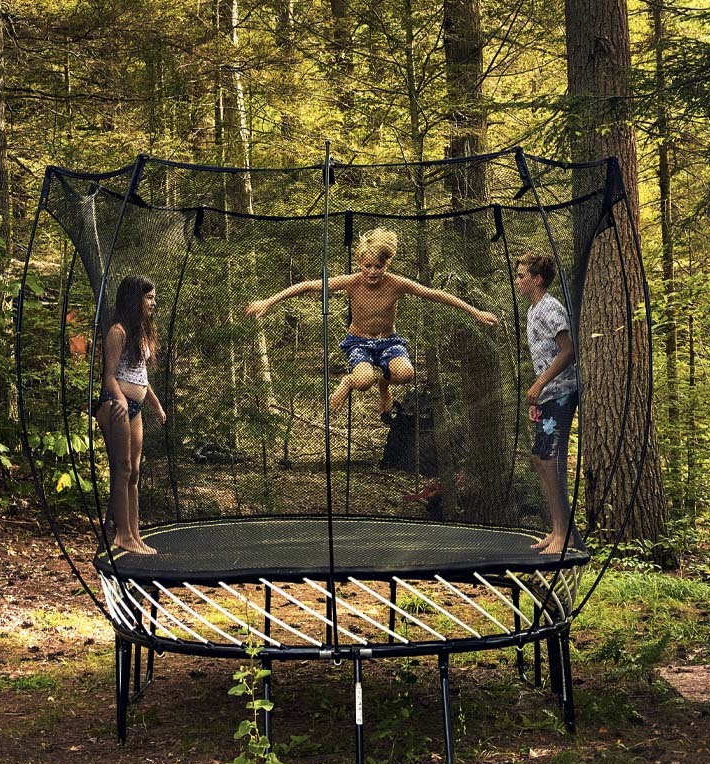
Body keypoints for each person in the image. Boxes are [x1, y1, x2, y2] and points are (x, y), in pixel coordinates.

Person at [244, 227, 498, 414]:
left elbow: (435, 294)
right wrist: (268, 302)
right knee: (363, 381)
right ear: (360, 264)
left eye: (378, 266)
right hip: (359, 342)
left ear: (386, 264)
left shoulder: (397, 284)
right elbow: (307, 286)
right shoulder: (352, 282)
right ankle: (347, 382)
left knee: (406, 374)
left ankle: (384, 387)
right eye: (368, 266)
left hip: (388, 341)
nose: (373, 272)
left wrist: (475, 312)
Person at [513, 250, 580, 555]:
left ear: (537, 279)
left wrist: (540, 384)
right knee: (540, 459)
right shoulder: (533, 310)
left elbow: (568, 351)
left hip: (562, 391)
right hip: (547, 395)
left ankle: (564, 534)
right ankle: (556, 530)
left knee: (550, 459)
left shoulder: (551, 308)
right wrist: (537, 395)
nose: (517, 280)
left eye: (521, 275)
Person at [95, 275, 167, 554]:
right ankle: (122, 534)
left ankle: (134, 534)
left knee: (135, 471)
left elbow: (141, 378)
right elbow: (109, 377)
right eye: (148, 297)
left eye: (153, 297)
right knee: (123, 468)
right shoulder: (118, 331)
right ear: (133, 299)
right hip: (116, 405)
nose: (153, 302)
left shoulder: (140, 332)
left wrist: (156, 405)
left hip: (134, 407)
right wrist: (119, 398)